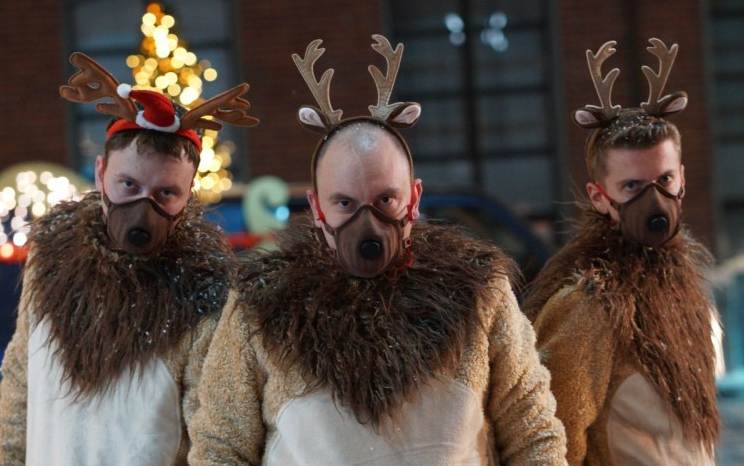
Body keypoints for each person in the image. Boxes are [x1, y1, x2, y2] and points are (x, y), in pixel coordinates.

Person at [188, 34, 567, 466]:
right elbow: (222, 447)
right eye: (344, 204)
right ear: (317, 208)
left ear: (414, 199)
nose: (367, 223)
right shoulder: (259, 308)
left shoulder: (480, 296)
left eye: (386, 200)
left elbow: (533, 435)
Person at [0, 52, 258, 466]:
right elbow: (19, 387)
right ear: (101, 173)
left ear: (188, 196)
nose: (143, 208)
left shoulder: (205, 298)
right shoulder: (49, 262)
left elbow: (213, 436)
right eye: (128, 185)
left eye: (165, 193)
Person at [523, 39, 720, 466]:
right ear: (600, 197)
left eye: (664, 180)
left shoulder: (685, 289)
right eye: (632, 186)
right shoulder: (589, 304)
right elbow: (553, 439)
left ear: (682, 179)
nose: (654, 199)